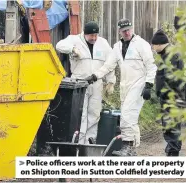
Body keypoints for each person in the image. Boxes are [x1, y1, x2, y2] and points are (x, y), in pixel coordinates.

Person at [86, 18, 157, 156]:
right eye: (124, 31)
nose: (127, 33)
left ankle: (127, 146)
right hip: (125, 86)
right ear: (119, 31)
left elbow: (151, 65)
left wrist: (149, 84)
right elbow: (108, 65)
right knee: (130, 116)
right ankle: (133, 148)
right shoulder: (117, 47)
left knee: (127, 115)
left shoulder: (141, 44)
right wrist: (95, 76)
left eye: (129, 29)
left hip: (139, 84)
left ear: (132, 28)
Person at [56, 21, 116, 144]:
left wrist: (111, 82)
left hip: (96, 84)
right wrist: (72, 49)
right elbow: (59, 45)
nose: (94, 38)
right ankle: (79, 143)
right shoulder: (74, 40)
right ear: (85, 34)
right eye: (91, 36)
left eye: (96, 35)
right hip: (79, 84)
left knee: (94, 113)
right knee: (81, 115)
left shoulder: (103, 43)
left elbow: (110, 63)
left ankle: (89, 143)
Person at [151, 29, 184, 156]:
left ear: (159, 45)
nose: (153, 48)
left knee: (171, 125)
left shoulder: (171, 55)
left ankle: (173, 151)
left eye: (154, 45)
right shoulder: (166, 55)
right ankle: (172, 148)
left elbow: (173, 78)